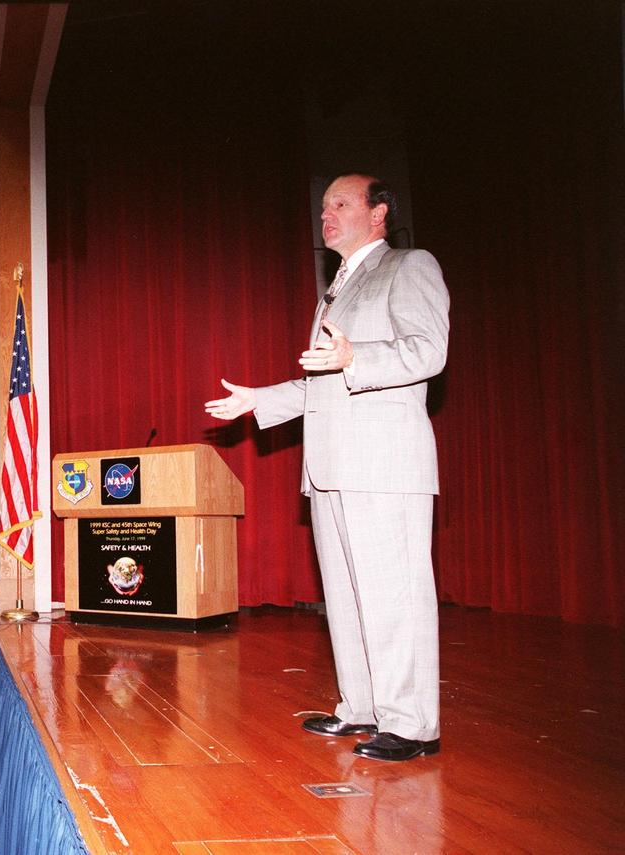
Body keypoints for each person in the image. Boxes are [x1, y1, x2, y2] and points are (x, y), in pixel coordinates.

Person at [204, 174, 449, 763]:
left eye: (340, 203)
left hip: (385, 463)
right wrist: (261, 399)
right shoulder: (336, 289)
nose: (326, 215)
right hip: (333, 466)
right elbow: (325, 383)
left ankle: (413, 724)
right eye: (322, 207)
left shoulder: (409, 267)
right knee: (345, 596)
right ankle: (362, 708)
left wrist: (356, 356)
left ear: (379, 212)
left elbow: (428, 350)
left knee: (394, 595)